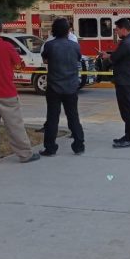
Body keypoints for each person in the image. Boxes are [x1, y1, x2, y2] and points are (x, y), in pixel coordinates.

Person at [0, 17, 40, 165]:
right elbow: (18, 63)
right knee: (14, 125)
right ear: (1, 29)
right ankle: (25, 154)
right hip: (6, 92)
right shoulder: (7, 46)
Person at [39, 17, 85, 156]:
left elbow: (45, 59)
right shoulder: (75, 46)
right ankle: (79, 145)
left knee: (53, 117)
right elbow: (77, 59)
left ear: (53, 30)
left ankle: (50, 148)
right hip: (71, 86)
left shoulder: (50, 45)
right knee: (73, 116)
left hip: (54, 86)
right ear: (68, 30)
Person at [99, 18, 130, 148]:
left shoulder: (127, 43)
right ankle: (129, 135)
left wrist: (107, 57)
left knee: (127, 111)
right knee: (129, 110)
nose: (116, 32)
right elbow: (121, 56)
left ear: (123, 29)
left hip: (125, 81)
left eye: (117, 29)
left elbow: (114, 58)